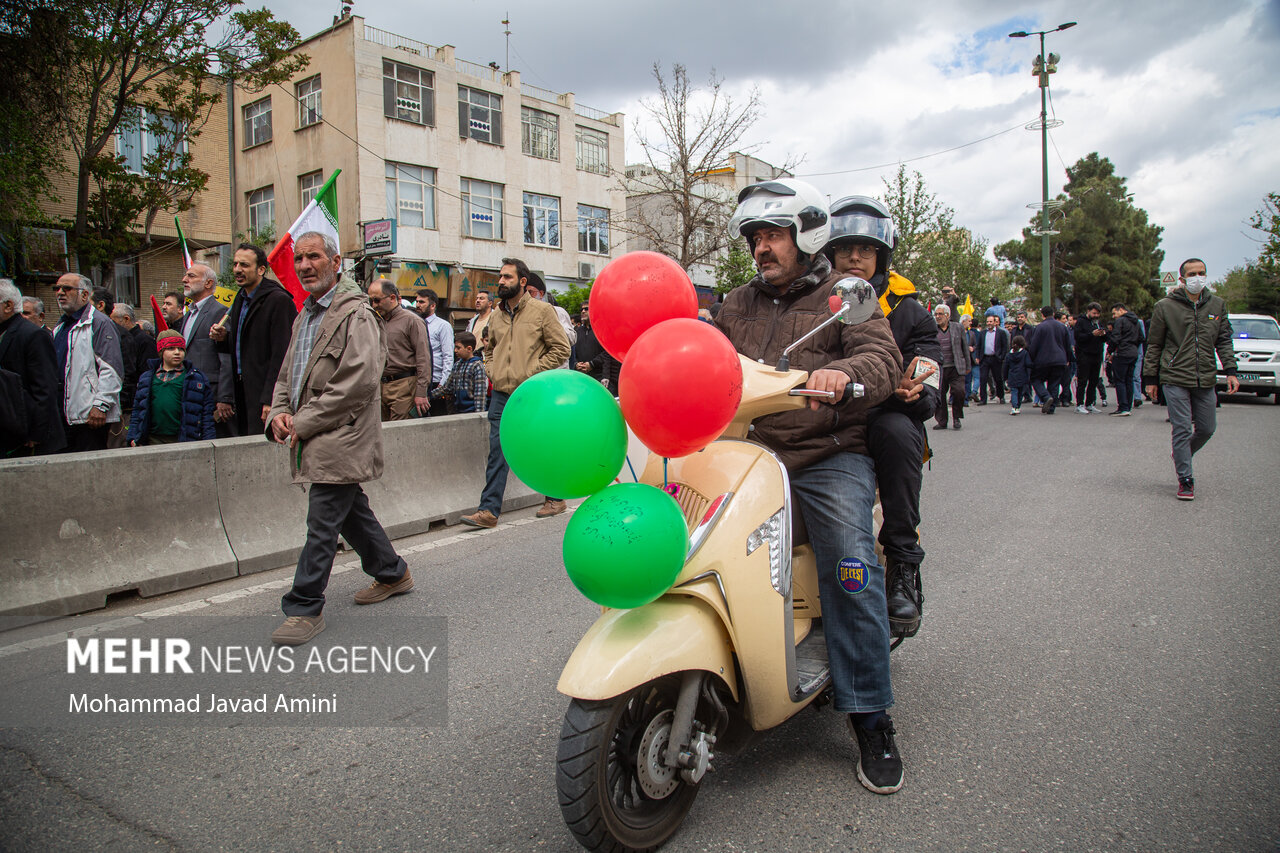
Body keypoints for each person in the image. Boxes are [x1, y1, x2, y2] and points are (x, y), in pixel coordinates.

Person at [717, 179, 904, 794]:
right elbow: (708, 360)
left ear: (806, 235)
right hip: (746, 452)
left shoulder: (845, 296)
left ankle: (870, 713)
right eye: (755, 238)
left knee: (851, 562)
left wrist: (841, 373)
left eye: (772, 235)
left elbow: (881, 359)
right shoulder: (735, 304)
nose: (762, 248)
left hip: (826, 454)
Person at [266, 232, 412, 646]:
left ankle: (304, 606)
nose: (305, 265)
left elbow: (358, 382)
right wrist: (279, 411)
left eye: (314, 256)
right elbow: (287, 376)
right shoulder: (305, 315)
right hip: (314, 431)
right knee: (350, 513)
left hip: (343, 433)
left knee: (322, 520)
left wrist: (303, 421)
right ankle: (392, 572)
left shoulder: (357, 314)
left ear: (335, 262)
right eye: (299, 258)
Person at [825, 195, 939, 641]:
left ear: (881, 258)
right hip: (820, 419)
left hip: (882, 420)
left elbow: (928, 380)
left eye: (866, 250)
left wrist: (916, 390)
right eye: (845, 249)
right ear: (828, 254)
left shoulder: (910, 311)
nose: (855, 258)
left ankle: (903, 566)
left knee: (897, 430)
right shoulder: (814, 301)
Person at [459, 258, 571, 529]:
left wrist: (533, 372)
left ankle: (555, 498)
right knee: (498, 450)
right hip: (501, 393)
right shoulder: (495, 316)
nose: (501, 282)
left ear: (522, 282)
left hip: (532, 392)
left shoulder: (543, 311)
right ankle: (488, 511)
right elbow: (488, 348)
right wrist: (491, 370)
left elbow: (561, 349)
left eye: (508, 277)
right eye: (500, 277)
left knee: (539, 446)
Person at [1142, 258, 1238, 501]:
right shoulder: (1165, 306)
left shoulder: (1217, 305)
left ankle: (1181, 454)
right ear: (1182, 279)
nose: (1198, 277)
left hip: (1205, 376)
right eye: (1192, 274)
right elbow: (1154, 344)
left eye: (1202, 273)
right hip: (1174, 376)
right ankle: (1185, 479)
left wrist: (1231, 370)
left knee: (1206, 428)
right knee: (1182, 428)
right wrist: (1150, 378)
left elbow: (1224, 340)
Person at [210, 243, 298, 437]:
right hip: (242, 391)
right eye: (234, 265)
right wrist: (225, 339)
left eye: (244, 265)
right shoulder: (240, 299)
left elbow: (282, 354)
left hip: (264, 394)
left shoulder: (278, 301)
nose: (237, 270)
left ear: (261, 269)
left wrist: (271, 399)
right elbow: (247, 343)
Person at [51, 273, 124, 452]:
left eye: (66, 288)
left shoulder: (99, 323)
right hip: (64, 414)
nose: (60, 292)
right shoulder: (60, 327)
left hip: (89, 417)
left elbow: (112, 369)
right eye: (57, 288)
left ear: (84, 295)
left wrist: (101, 405)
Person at [0, 279, 65, 456]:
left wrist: (36, 432)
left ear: (8, 306)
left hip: (32, 438)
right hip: (9, 431)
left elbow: (45, 387)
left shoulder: (33, 335)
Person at [126, 329, 215, 445]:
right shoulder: (147, 378)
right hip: (153, 439)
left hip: (185, 439)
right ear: (161, 351)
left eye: (181, 349)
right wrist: (133, 436)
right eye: (171, 348)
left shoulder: (196, 378)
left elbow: (206, 415)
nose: (177, 352)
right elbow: (138, 410)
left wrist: (208, 441)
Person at [178, 263, 232, 436]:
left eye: (191, 276)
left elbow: (226, 357)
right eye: (186, 276)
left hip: (211, 395)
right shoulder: (188, 315)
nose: (184, 280)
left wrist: (225, 398)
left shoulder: (220, 313)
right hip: (190, 394)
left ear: (208, 283)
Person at [368, 278, 431, 420]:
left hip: (404, 385)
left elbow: (423, 358)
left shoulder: (412, 321)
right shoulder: (375, 320)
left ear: (392, 298)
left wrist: (421, 392)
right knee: (381, 432)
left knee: (399, 433)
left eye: (377, 300)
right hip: (380, 385)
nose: (373, 305)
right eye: (371, 301)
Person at [109, 303, 154, 447]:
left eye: (112, 320)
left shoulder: (143, 341)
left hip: (132, 404)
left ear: (126, 319)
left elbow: (144, 374)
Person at [1026, 306, 1074, 414]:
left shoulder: (1040, 327)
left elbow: (1034, 346)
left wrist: (1031, 359)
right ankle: (1052, 407)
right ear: (1053, 313)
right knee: (1054, 383)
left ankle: (1045, 397)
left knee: (1035, 379)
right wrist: (1068, 359)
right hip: (1060, 359)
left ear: (1042, 315)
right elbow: (1068, 345)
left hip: (1043, 360)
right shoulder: (1062, 327)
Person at [524, 273, 577, 369]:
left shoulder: (557, 311)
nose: (527, 296)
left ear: (541, 293)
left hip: (556, 373)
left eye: (530, 292)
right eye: (524, 293)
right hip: (531, 373)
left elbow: (571, 339)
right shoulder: (521, 315)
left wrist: (551, 329)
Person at [415, 289, 454, 414]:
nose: (417, 305)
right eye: (416, 302)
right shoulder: (415, 323)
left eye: (422, 302)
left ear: (433, 305)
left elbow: (448, 355)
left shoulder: (443, 326)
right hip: (419, 380)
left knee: (437, 418)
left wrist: (443, 383)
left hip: (436, 382)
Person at [430, 331, 488, 413]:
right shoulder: (457, 365)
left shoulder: (477, 366)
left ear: (469, 349)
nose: (455, 350)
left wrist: (479, 414)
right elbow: (447, 387)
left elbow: (480, 394)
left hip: (471, 411)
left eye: (458, 348)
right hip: (458, 410)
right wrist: (429, 396)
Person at [932, 304, 969, 429]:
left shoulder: (957, 328)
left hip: (956, 367)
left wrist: (968, 365)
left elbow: (965, 347)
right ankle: (942, 421)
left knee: (959, 392)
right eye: (936, 314)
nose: (937, 317)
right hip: (940, 368)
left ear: (947, 315)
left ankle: (957, 417)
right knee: (940, 395)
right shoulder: (932, 329)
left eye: (940, 314)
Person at [573, 302, 620, 391]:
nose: (583, 311)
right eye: (581, 309)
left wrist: (592, 364)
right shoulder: (577, 331)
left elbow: (607, 352)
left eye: (586, 309)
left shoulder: (602, 330)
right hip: (581, 377)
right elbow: (572, 351)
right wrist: (576, 364)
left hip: (600, 376)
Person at [1107, 302, 1143, 416]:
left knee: (1120, 380)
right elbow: (1141, 337)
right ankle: (1128, 406)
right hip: (1133, 352)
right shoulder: (1136, 321)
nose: (1113, 316)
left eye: (1114, 313)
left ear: (1121, 310)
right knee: (1129, 379)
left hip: (1122, 352)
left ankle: (1123, 406)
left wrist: (1110, 350)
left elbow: (1115, 337)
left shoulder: (1121, 321)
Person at [1074, 302, 1107, 413]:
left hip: (1096, 355)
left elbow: (1104, 339)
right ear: (1088, 311)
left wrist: (1103, 335)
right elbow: (1078, 337)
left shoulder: (1097, 323)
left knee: (1094, 381)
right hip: (1084, 355)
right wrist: (1091, 334)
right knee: (1082, 381)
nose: (1096, 315)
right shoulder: (1081, 321)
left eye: (1098, 314)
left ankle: (1090, 403)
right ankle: (1079, 404)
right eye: (1094, 313)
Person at [976, 313, 1009, 405]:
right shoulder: (982, 333)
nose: (989, 323)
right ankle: (983, 399)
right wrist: (978, 357)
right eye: (987, 322)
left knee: (998, 378)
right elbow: (979, 346)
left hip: (996, 358)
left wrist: (1002, 357)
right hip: (985, 358)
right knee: (983, 379)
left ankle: (1001, 396)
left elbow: (1004, 346)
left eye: (991, 321)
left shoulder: (1001, 333)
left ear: (995, 322)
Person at [1003, 334, 1033, 415]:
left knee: (1014, 392)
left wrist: (1005, 377)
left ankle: (1014, 406)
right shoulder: (1024, 353)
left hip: (1012, 376)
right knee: (1020, 392)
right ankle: (1018, 406)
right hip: (1022, 375)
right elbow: (1028, 364)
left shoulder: (1009, 355)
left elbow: (1005, 366)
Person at [466, 289, 494, 363]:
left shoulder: (495, 318)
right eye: (477, 298)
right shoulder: (473, 321)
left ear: (490, 303)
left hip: (488, 359)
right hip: (472, 359)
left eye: (481, 298)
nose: (478, 301)